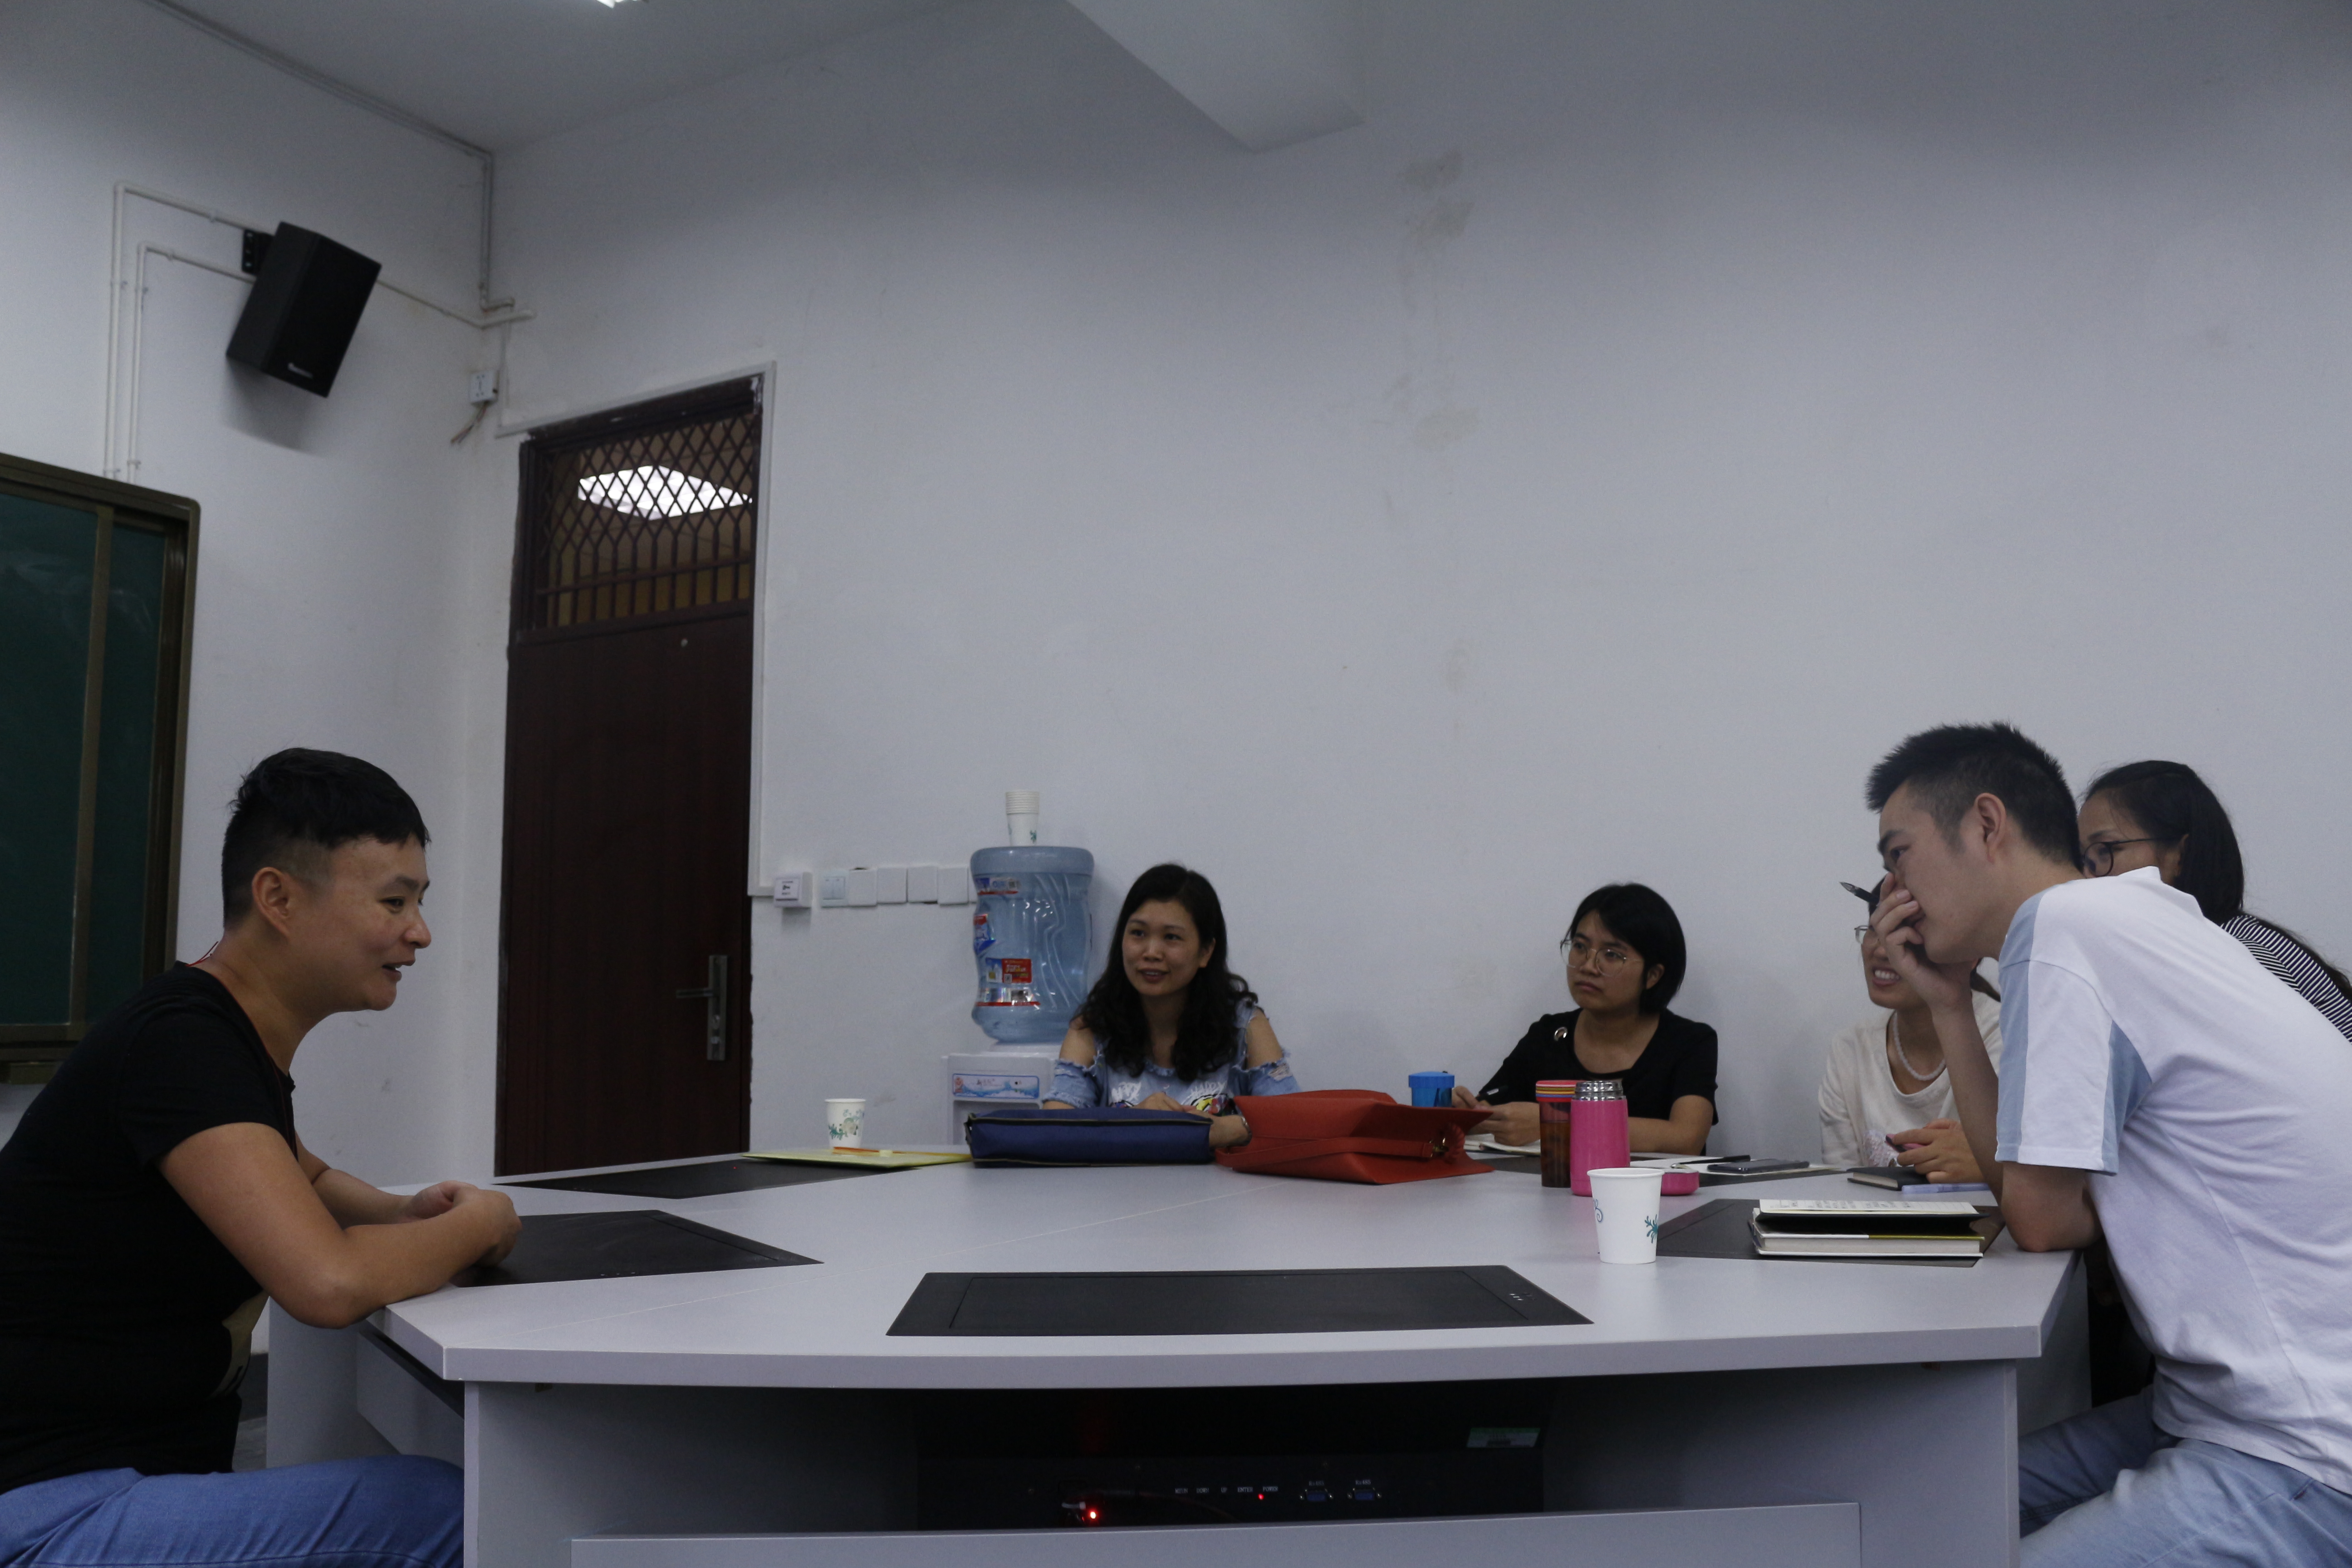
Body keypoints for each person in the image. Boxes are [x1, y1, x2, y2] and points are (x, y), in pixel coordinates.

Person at [0, 750, 519, 1568]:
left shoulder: (213, 1032)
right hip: (49, 1507)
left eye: (419, 902)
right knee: (455, 1516)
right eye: (394, 901)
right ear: (278, 898)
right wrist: (480, 1223)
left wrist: (400, 1212)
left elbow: (300, 1171)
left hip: (106, 1476)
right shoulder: (182, 1046)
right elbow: (327, 1284)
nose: (419, 931)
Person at [1865, 722, 2352, 1564]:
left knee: (1924, 1522)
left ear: (1986, 824)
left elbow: (2045, 1220)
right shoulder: (2132, 916)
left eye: (1899, 854)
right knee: (1917, 1513)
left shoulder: (2064, 927)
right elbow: (2056, 1204)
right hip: (2218, 1408)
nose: (1890, 890)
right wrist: (1949, 1005)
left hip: (2304, 1441)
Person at [2079, 760, 2352, 1043]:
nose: (2086, 876)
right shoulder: (2190, 949)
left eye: (2105, 851)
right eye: (2083, 859)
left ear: (2181, 855)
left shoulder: (2242, 957)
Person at [1044, 863, 1297, 1150]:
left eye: (1171, 937)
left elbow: (1294, 1123)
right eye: (1138, 933)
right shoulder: (1091, 1028)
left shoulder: (1245, 1026)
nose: (1151, 953)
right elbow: (1054, 1131)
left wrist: (1236, 1129)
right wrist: (1132, 1122)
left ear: (1206, 952)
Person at [1455, 883, 1716, 1155]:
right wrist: (1463, 1114)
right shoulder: (1549, 1035)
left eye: (1612, 955)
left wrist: (1556, 1123)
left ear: (1653, 976)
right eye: (1580, 947)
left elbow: (1686, 1138)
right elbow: (1486, 1116)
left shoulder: (1688, 1042)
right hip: (1548, 1182)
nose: (1588, 966)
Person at [1817, 884, 2003, 1181]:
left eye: (1906, 933)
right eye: (1876, 929)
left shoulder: (2008, 1036)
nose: (1882, 950)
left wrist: (1990, 1166)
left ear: (1966, 952)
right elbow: (1843, 1185)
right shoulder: (1850, 1048)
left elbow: (2038, 1181)